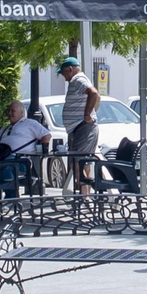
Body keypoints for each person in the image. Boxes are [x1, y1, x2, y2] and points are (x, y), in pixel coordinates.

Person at [58, 56, 100, 193]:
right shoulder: (78, 80)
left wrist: (88, 114)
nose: (63, 77)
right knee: (83, 162)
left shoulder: (78, 79)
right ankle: (85, 195)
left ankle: (84, 197)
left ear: (70, 69)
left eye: (64, 73)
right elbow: (97, 96)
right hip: (80, 128)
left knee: (76, 162)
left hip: (83, 127)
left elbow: (94, 94)